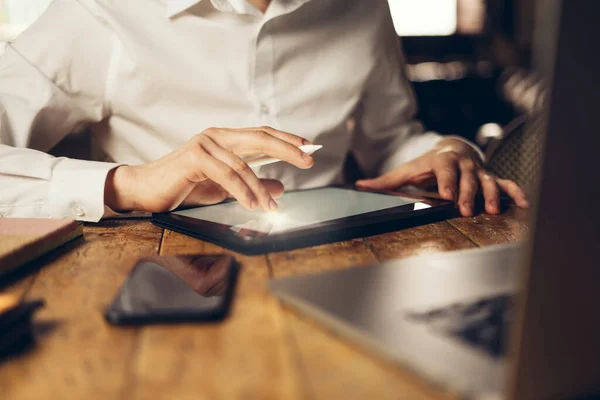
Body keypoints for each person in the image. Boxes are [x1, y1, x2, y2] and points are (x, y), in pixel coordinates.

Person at [0, 0, 528, 222]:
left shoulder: (361, 7)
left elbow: (389, 139)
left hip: (343, 263)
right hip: (161, 275)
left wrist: (446, 150)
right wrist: (130, 184)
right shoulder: (101, 12)